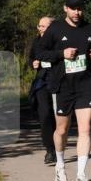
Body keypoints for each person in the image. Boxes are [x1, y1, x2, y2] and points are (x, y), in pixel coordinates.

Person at [38, 0, 91, 181]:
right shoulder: (55, 29)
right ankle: (60, 165)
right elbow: (40, 52)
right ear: (65, 8)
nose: (77, 12)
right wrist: (60, 54)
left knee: (85, 129)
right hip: (63, 86)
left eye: (80, 8)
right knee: (62, 130)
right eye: (73, 8)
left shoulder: (90, 29)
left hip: (84, 85)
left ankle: (82, 175)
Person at [28, 16, 56, 164]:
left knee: (58, 117)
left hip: (58, 81)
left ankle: (58, 147)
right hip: (42, 82)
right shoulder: (36, 41)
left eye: (43, 26)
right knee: (44, 115)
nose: (40, 29)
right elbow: (30, 58)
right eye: (39, 26)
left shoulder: (58, 40)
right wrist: (33, 63)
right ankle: (49, 150)